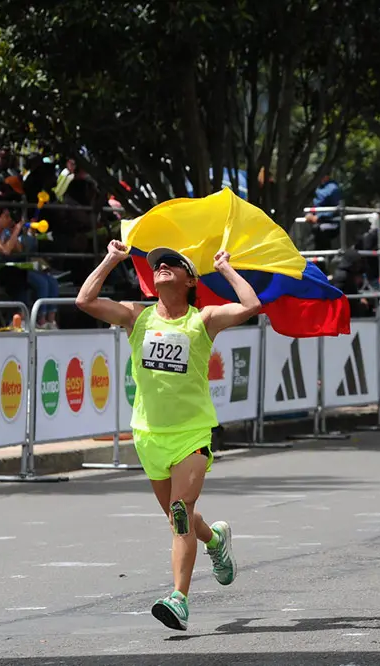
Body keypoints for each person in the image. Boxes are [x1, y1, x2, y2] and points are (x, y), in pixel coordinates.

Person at [76, 239, 259, 631]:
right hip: (148, 435)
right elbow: (85, 301)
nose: (162, 266)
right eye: (158, 263)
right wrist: (111, 259)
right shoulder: (136, 316)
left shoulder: (203, 320)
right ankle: (214, 540)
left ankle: (179, 598)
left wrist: (225, 268)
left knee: (179, 515)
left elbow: (250, 306)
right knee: (183, 518)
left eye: (173, 263)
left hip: (191, 434)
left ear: (190, 279)